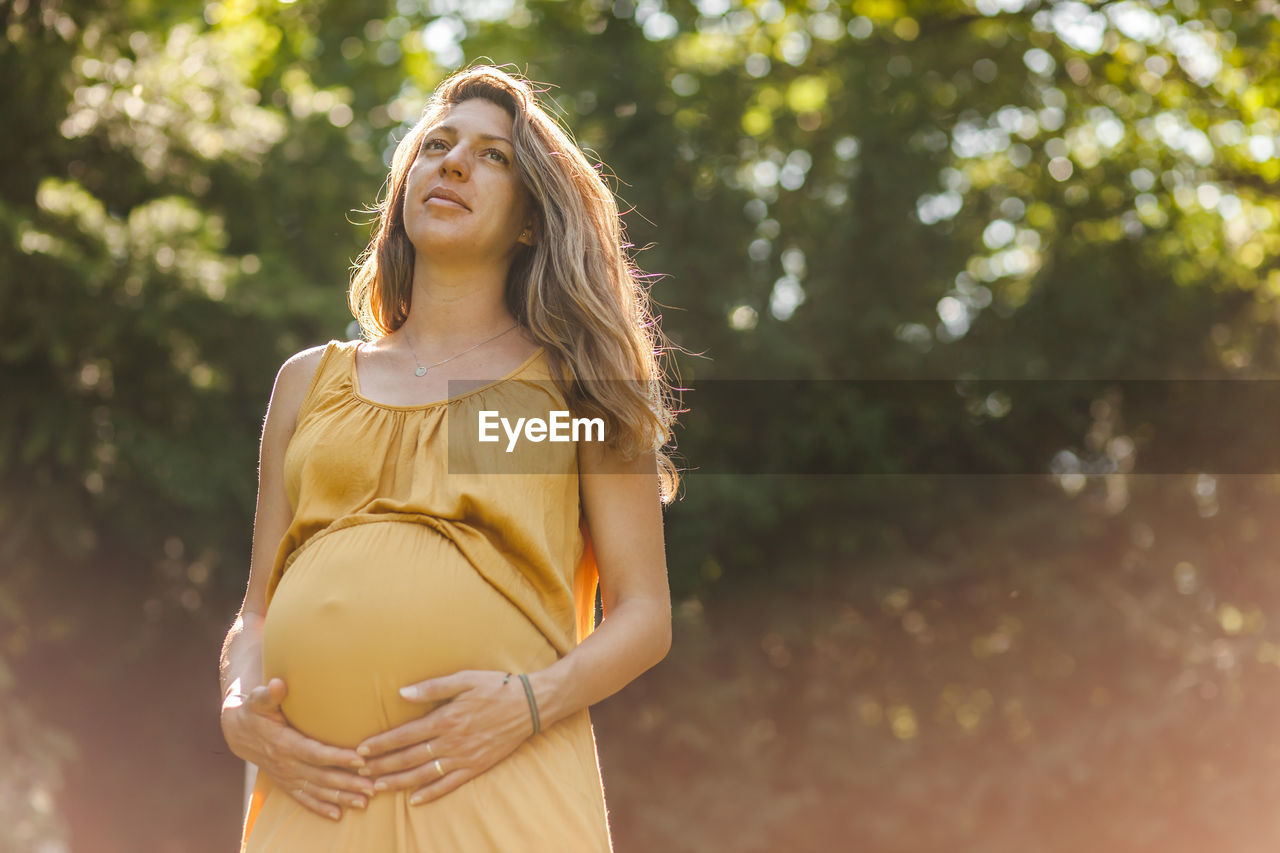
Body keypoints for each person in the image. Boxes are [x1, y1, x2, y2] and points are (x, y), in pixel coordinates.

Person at [218, 64, 681, 851]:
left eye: (493, 156)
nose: (455, 163)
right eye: (436, 145)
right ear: (404, 188)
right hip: (317, 798)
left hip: (495, 782)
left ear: (531, 221)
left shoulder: (571, 389)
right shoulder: (308, 382)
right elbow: (255, 610)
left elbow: (645, 615)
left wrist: (529, 703)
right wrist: (238, 708)